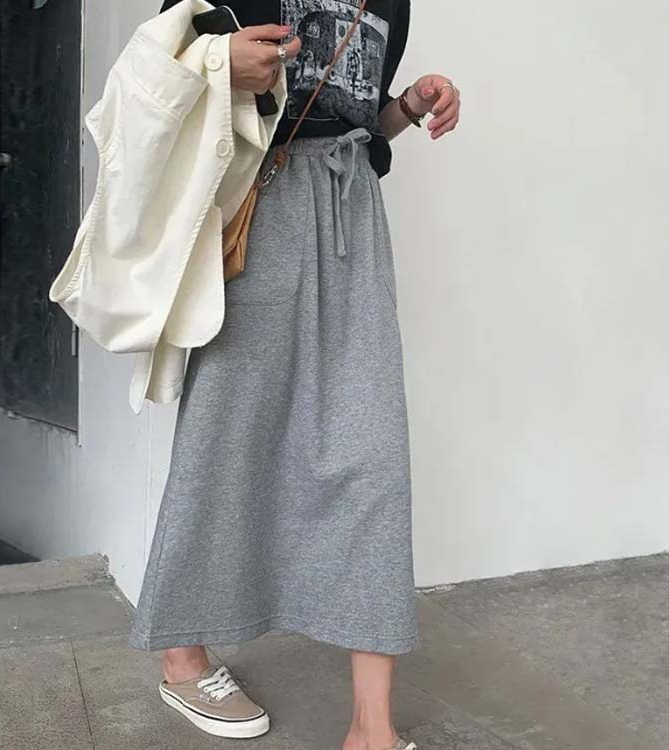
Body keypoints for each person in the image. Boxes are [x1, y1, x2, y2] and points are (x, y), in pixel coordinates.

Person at [130, 2, 461, 749]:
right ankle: (183, 655)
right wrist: (219, 65)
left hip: (351, 211)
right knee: (228, 432)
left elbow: (359, 119)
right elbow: (151, 76)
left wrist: (408, 106)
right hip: (258, 204)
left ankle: (372, 729)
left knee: (372, 452)